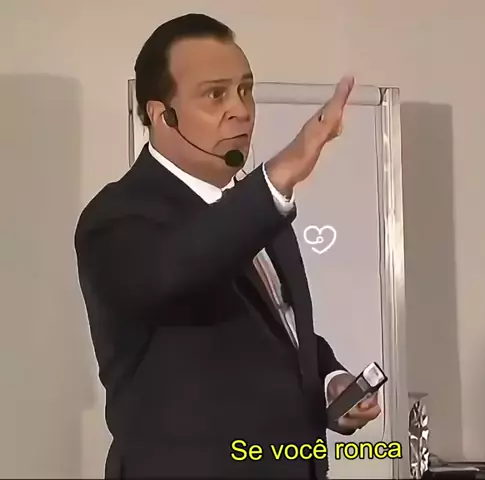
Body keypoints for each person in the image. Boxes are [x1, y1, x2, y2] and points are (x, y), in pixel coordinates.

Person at [74, 13, 381, 479]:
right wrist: (282, 172)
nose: (241, 109)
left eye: (245, 89)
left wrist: (329, 382)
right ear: (162, 114)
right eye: (216, 94)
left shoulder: (259, 208)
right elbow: (174, 273)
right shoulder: (116, 217)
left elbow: (278, 327)